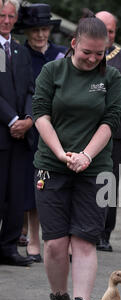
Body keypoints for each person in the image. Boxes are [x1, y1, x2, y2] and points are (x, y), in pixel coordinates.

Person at [32, 11, 121, 300]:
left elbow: (111, 119)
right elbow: (40, 112)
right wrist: (60, 153)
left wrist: (86, 154)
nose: (92, 59)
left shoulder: (111, 77)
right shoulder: (52, 71)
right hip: (52, 164)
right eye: (87, 52)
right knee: (56, 242)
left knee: (84, 240)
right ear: (73, 44)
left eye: (99, 53)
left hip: (95, 168)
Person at [13, 3, 67, 263]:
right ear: (27, 31)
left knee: (62, 184)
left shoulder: (61, 54)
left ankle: (59, 239)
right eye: (35, 30)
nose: (40, 35)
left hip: (60, 129)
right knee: (34, 184)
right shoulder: (18, 53)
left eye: (44, 29)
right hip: (30, 129)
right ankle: (33, 237)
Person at [95, 11, 121, 252]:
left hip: (116, 131)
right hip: (86, 130)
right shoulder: (87, 53)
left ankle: (104, 233)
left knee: (109, 183)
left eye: (111, 31)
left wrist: (110, 113)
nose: (107, 35)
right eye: (103, 29)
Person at [0, 0, 35, 266]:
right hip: (2, 132)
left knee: (16, 195)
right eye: (2, 15)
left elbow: (31, 90)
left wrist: (27, 120)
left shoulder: (20, 51)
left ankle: (9, 247)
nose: (7, 20)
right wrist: (12, 119)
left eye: (11, 16)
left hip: (21, 136)